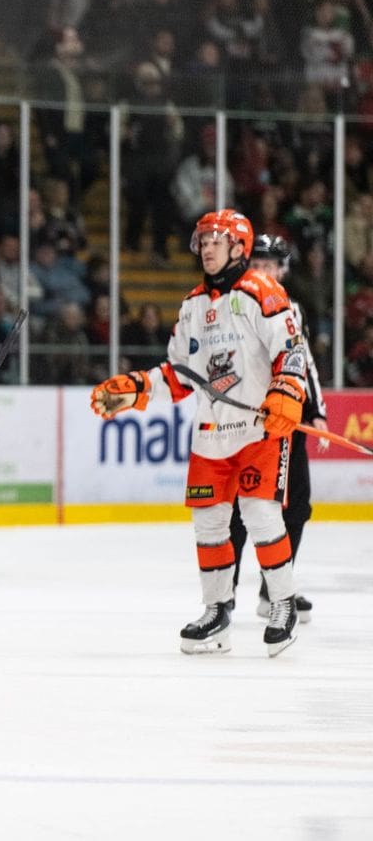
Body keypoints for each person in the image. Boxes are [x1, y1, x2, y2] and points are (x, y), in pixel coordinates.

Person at [90, 208, 306, 657]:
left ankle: (282, 602)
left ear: (239, 247)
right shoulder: (191, 305)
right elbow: (181, 374)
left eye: (216, 241)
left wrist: (287, 392)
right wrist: (138, 388)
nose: (207, 248)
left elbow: (291, 349)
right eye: (203, 241)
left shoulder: (262, 291)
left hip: (257, 429)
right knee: (208, 522)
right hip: (210, 435)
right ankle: (217, 612)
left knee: (261, 515)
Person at [229, 235, 327, 622]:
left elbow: (304, 362)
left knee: (297, 505)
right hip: (249, 421)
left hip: (290, 419)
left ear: (282, 270)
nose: (264, 272)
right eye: (258, 265)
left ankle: (275, 590)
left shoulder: (292, 308)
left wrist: (314, 408)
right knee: (240, 508)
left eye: (271, 266)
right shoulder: (233, 304)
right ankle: (224, 593)